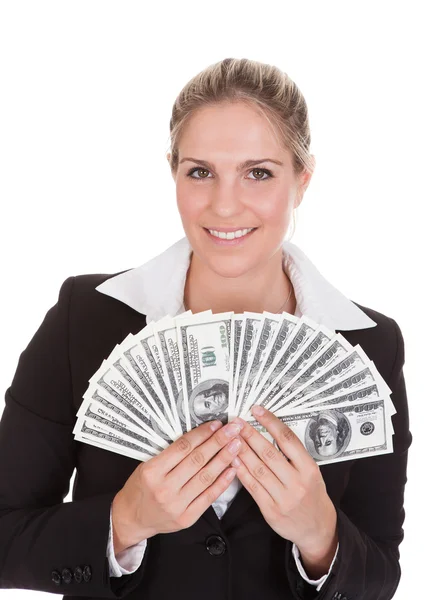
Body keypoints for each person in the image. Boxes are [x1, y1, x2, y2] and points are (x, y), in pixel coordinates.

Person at [0, 57, 412, 600]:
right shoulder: (84, 317)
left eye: (258, 172)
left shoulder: (368, 345)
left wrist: (321, 536)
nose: (224, 204)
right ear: (173, 172)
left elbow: (380, 574)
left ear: (302, 179)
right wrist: (125, 520)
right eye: (201, 171)